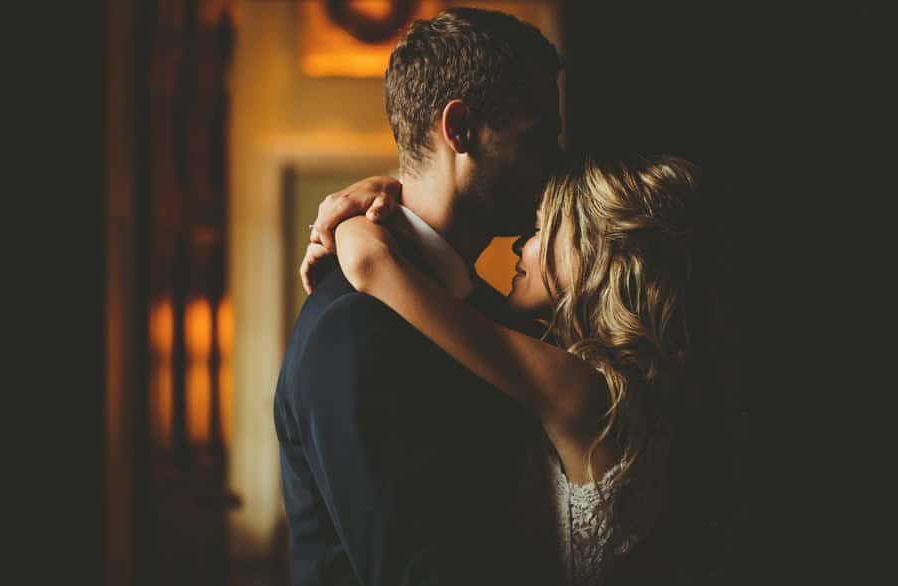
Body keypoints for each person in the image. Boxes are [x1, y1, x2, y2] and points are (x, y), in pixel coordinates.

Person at [301, 154, 716, 586]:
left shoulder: (580, 388)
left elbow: (372, 265)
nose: (521, 244)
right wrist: (384, 194)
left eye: (539, 230)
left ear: (594, 251)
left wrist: (347, 215)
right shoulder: (622, 382)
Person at [273, 7, 563, 586]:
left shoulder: (477, 302)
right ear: (460, 130)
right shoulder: (354, 327)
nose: (555, 161)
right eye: (537, 138)